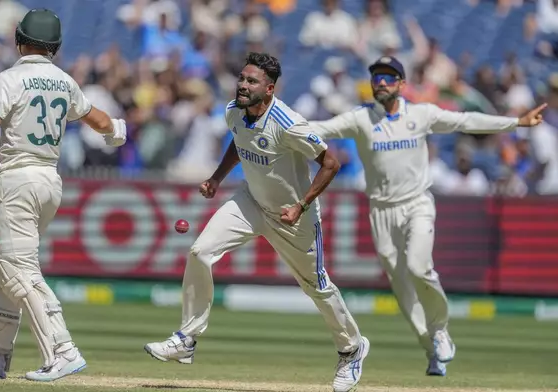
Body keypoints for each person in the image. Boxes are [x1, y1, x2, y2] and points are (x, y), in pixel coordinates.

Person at [144, 52, 369, 392]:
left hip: (292, 216)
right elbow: (239, 142)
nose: (243, 85)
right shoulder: (233, 111)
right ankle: (186, 339)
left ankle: (352, 349)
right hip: (250, 201)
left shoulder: (287, 122)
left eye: (252, 81)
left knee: (316, 286)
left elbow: (331, 164)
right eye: (242, 78)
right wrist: (217, 178)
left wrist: (301, 205)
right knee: (200, 252)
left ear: (269, 89)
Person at [309, 56, 546, 377]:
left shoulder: (421, 114)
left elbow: (464, 121)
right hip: (381, 211)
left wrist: (515, 123)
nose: (381, 82)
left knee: (420, 267)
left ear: (402, 84)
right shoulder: (361, 118)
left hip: (417, 204)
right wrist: (273, 122)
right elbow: (319, 128)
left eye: (389, 77)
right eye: (376, 76)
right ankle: (430, 346)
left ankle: (440, 330)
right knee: (402, 287)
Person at [0, 8, 127, 382]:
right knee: (4, 267)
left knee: (19, 270)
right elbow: (96, 118)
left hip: (17, 182)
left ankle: (63, 350)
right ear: (56, 47)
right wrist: (116, 131)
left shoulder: (11, 78)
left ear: (18, 39)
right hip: (49, 182)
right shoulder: (64, 81)